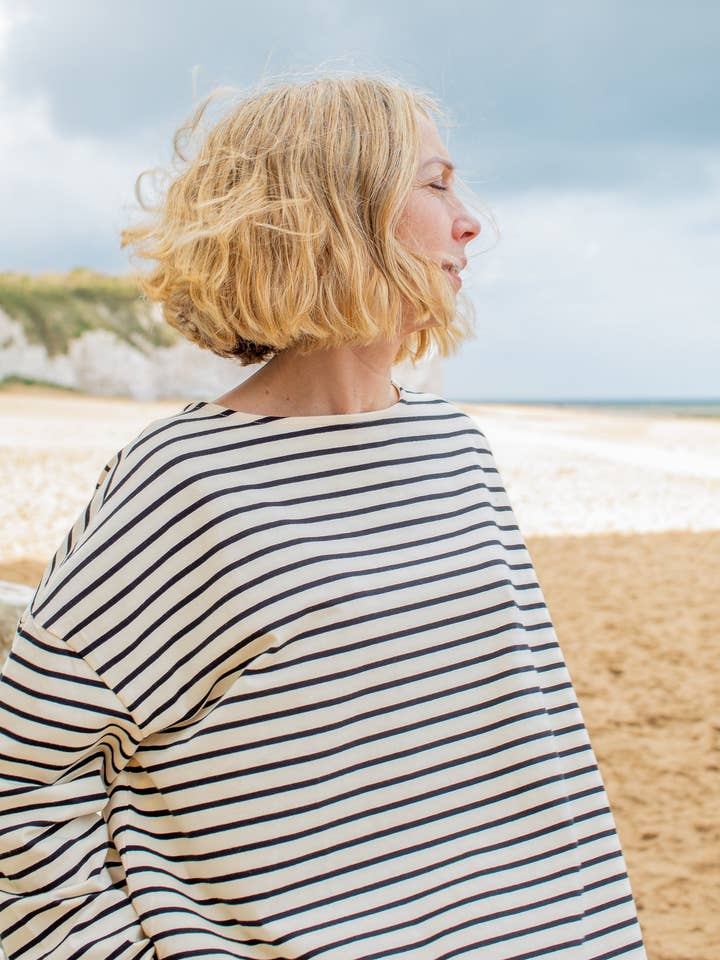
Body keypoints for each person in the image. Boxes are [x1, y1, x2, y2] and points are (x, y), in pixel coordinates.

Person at [0, 74, 647, 960]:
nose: (471, 222)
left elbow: (546, 773)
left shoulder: (456, 453)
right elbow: (25, 781)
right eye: (435, 182)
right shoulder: (185, 483)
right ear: (337, 211)